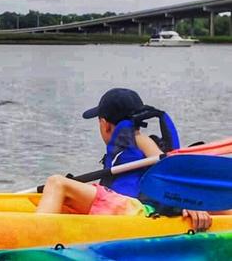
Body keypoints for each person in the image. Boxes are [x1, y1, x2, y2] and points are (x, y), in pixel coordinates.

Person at [36, 88, 212, 232]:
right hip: (127, 207)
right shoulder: (134, 142)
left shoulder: (140, 140)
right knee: (67, 198)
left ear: (105, 124)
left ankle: (35, 234)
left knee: (57, 183)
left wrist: (187, 201)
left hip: (135, 210)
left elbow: (166, 169)